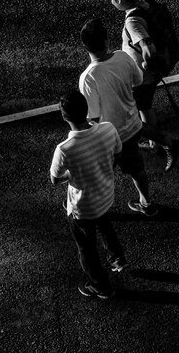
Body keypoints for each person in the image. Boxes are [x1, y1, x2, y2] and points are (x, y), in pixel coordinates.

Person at [50, 90, 127, 299]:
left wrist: (73, 174)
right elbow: (117, 154)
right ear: (86, 110)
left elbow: (55, 178)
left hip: (83, 207)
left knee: (86, 249)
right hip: (105, 195)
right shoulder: (108, 129)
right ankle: (117, 258)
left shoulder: (64, 149)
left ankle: (101, 286)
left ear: (64, 117)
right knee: (105, 224)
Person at [78, 18, 159, 216]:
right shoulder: (123, 57)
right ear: (106, 40)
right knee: (136, 169)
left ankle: (90, 206)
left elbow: (93, 118)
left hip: (108, 138)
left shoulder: (88, 76)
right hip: (131, 126)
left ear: (84, 46)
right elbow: (138, 80)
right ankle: (146, 203)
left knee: (96, 173)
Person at [104, 0, 179, 166]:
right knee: (144, 107)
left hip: (141, 77)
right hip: (153, 74)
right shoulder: (145, 4)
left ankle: (164, 141)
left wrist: (146, 65)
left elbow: (148, 49)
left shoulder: (132, 21)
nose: (112, 3)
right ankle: (155, 143)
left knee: (132, 112)